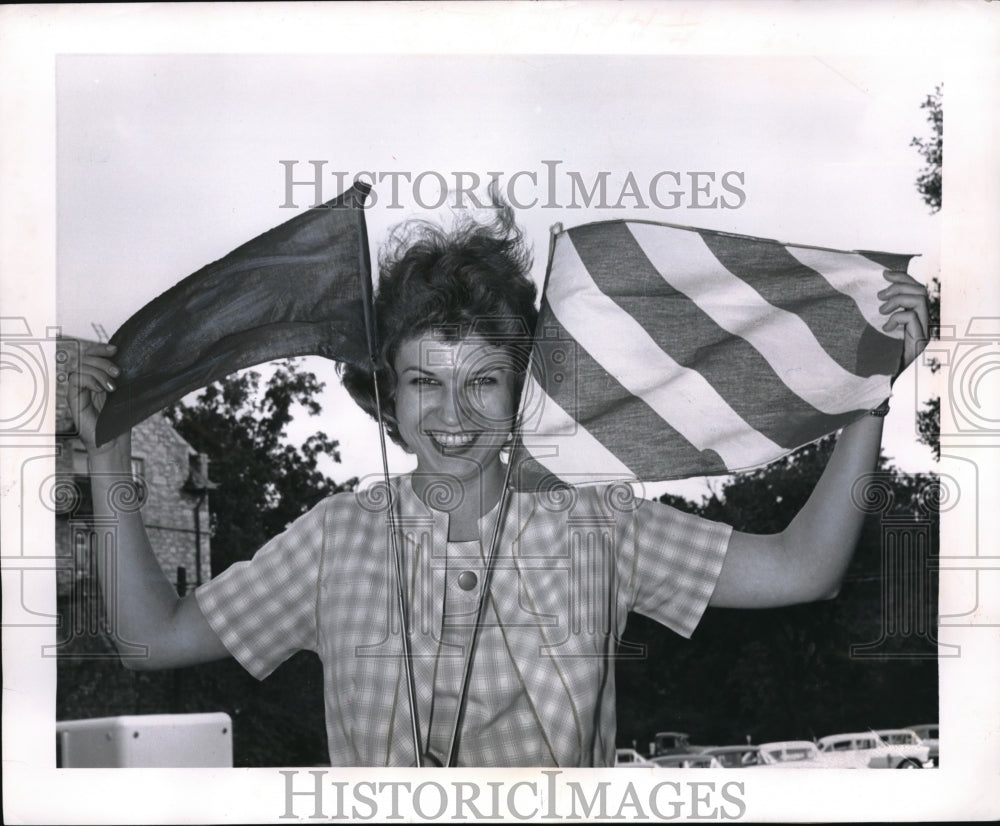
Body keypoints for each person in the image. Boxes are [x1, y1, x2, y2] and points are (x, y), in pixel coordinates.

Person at [67, 199, 929, 768]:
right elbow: (152, 636)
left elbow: (803, 568)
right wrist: (108, 452)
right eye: (424, 380)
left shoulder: (599, 519)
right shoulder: (334, 533)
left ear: (521, 392)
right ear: (388, 399)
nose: (454, 411)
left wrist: (867, 396)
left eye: (483, 379)